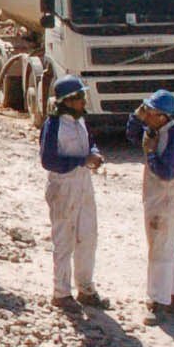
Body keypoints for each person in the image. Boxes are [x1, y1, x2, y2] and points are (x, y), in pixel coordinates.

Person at [38, 76, 106, 309]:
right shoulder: (54, 125)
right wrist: (81, 161)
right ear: (68, 101)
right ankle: (61, 293)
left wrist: (94, 155)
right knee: (64, 239)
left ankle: (85, 289)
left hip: (83, 183)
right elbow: (48, 160)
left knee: (88, 236)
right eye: (80, 98)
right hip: (63, 186)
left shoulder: (79, 121)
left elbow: (90, 143)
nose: (84, 102)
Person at [130, 90, 174, 317]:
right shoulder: (157, 130)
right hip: (155, 199)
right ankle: (172, 295)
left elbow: (166, 172)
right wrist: (136, 117)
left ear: (163, 116)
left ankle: (158, 300)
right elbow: (133, 136)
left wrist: (152, 152)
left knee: (159, 251)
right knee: (165, 248)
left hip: (164, 201)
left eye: (150, 112)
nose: (147, 117)